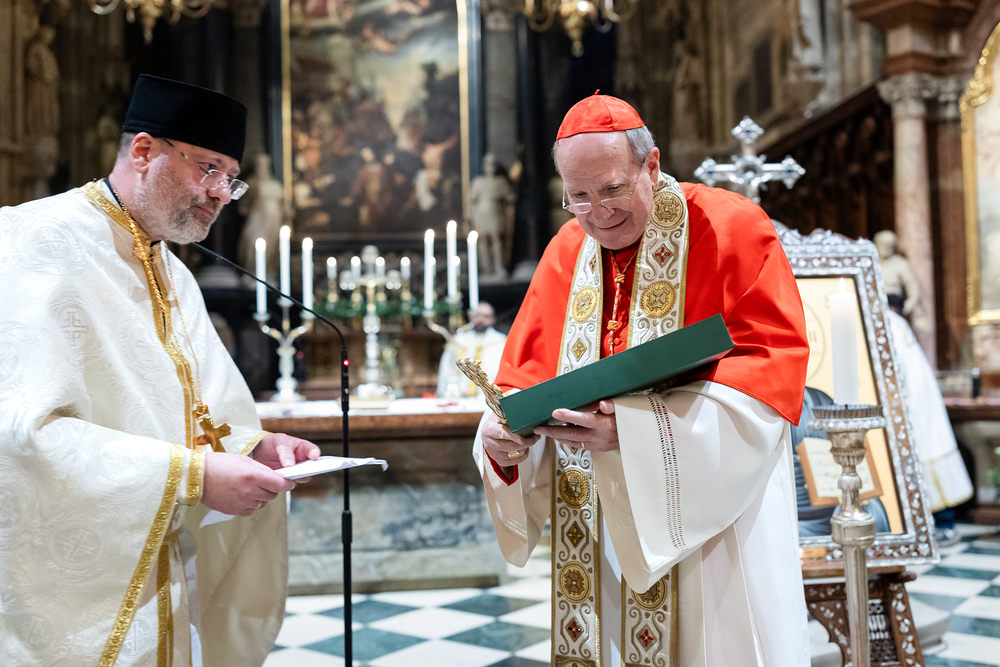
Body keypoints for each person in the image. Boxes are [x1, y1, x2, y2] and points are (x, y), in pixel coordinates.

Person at [473, 94, 810, 666]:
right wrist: (501, 437)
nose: (597, 213)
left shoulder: (728, 226)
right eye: (578, 196)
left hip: (711, 522)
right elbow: (520, 381)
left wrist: (635, 434)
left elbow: (768, 375)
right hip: (597, 523)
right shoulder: (565, 250)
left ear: (650, 165)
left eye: (612, 189)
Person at [0, 75, 321, 667]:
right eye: (209, 169)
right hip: (73, 591)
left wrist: (252, 447)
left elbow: (189, 414)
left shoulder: (172, 271)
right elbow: (22, 436)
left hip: (164, 566)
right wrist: (192, 476)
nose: (222, 194)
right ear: (144, 151)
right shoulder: (33, 243)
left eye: (231, 178)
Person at [436, 302, 507, 398]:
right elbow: (446, 367)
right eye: (477, 315)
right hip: (460, 396)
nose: (481, 319)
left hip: (490, 396)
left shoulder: (500, 342)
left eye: (486, 316)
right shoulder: (459, 341)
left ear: (493, 319)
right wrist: (444, 392)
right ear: (471, 317)